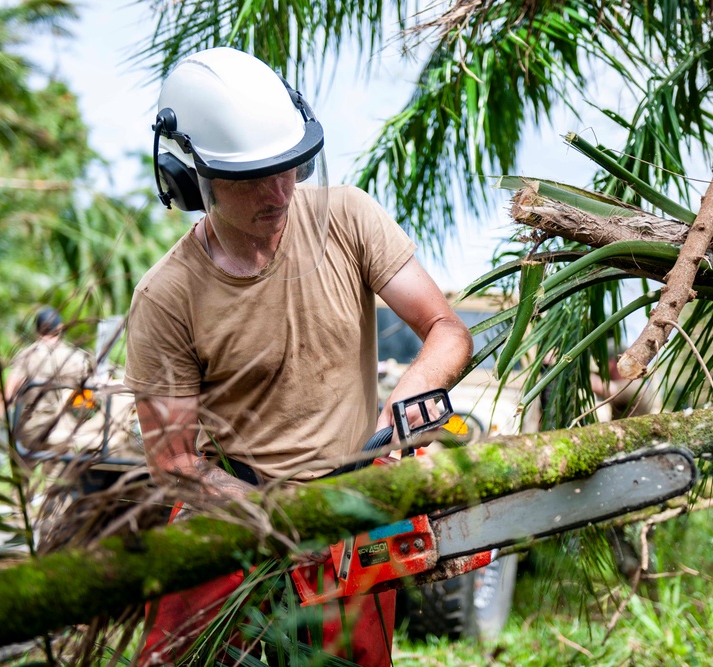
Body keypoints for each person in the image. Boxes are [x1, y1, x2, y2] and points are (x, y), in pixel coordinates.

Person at [124, 47, 473, 665]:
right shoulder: (166, 295)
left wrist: (403, 411)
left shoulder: (348, 218)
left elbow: (447, 329)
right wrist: (276, 521)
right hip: (233, 510)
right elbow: (175, 462)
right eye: (253, 175)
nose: (280, 190)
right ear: (190, 177)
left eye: (290, 167)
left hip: (352, 503)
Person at [0, 306, 95, 454]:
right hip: (63, 428)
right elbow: (94, 387)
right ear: (60, 328)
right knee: (58, 473)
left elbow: (8, 391)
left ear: (37, 330)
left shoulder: (27, 355)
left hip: (31, 429)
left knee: (23, 471)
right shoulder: (76, 357)